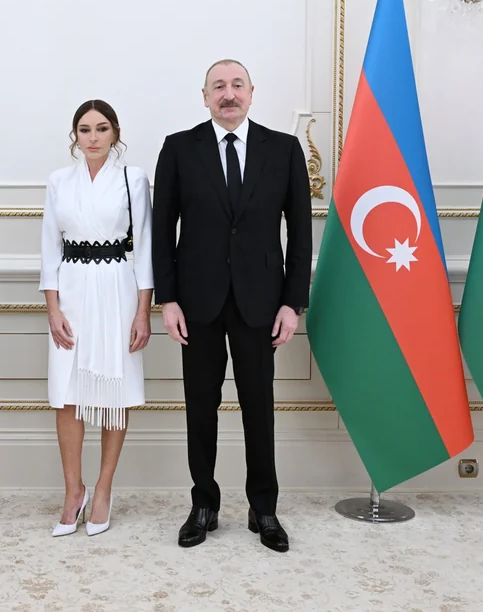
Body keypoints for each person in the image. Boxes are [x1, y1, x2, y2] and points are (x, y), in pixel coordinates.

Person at [152, 58, 311, 553]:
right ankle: (204, 504)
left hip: (260, 304)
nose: (228, 94)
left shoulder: (283, 149)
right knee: (201, 409)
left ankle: (264, 509)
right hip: (196, 303)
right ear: (204, 96)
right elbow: (162, 230)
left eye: (237, 85)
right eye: (218, 86)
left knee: (259, 410)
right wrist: (167, 298)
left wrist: (293, 304)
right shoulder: (179, 148)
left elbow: (301, 232)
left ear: (251, 92)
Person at [39, 100, 154, 537]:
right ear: (75, 136)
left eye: (101, 128)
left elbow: (144, 247)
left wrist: (143, 312)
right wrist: (53, 309)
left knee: (113, 392)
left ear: (115, 133)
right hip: (71, 291)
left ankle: (104, 489)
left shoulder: (133, 178)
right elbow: (50, 247)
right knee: (67, 393)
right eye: (84, 129)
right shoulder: (59, 181)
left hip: (117, 291)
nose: (93, 137)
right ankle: (74, 491)